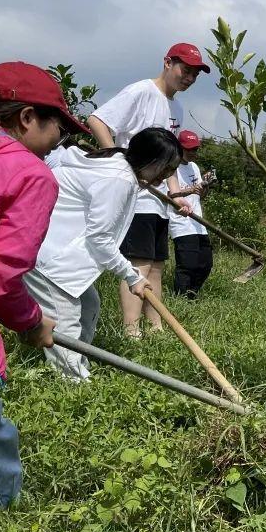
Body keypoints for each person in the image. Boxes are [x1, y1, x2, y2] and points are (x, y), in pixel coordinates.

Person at [0, 61, 87, 532]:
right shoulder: (27, 173)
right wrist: (33, 323)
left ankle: (7, 515)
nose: (61, 138)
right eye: (59, 125)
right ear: (28, 118)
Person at [24, 128, 183, 381]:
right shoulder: (117, 178)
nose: (167, 176)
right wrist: (132, 276)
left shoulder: (121, 167)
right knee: (65, 322)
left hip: (60, 250)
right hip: (49, 257)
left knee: (89, 305)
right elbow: (99, 239)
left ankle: (75, 364)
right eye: (166, 168)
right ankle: (73, 382)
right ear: (150, 161)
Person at [85, 43, 210, 337]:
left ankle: (155, 329)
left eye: (194, 74)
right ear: (167, 63)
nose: (189, 78)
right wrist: (119, 161)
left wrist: (176, 195)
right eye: (185, 70)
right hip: (136, 197)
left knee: (156, 266)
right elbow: (97, 120)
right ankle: (131, 331)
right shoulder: (141, 91)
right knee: (137, 263)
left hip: (157, 201)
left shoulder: (176, 106)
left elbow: (171, 159)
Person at [168, 130, 214, 299]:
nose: (193, 153)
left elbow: (200, 195)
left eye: (195, 149)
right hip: (181, 221)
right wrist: (189, 190)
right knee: (187, 264)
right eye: (189, 149)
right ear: (179, 148)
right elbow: (169, 194)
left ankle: (192, 294)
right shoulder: (171, 167)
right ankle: (180, 297)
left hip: (198, 222)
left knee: (205, 264)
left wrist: (205, 185)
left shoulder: (194, 167)